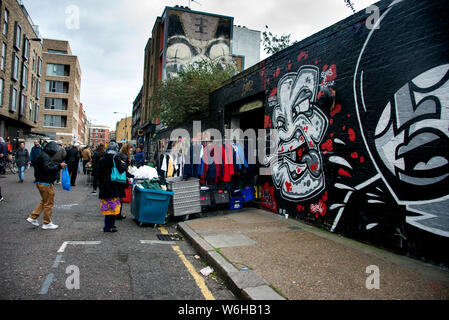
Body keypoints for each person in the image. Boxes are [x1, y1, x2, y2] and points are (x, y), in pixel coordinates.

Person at [26, 141, 67, 230]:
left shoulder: (42, 155)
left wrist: (57, 165)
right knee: (49, 203)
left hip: (41, 181)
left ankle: (33, 217)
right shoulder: (44, 156)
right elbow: (47, 168)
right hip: (45, 182)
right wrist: (59, 166)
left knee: (45, 201)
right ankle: (47, 222)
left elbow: (47, 166)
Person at [98, 142, 127, 232]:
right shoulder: (116, 158)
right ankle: (108, 226)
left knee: (108, 205)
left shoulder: (102, 159)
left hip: (104, 185)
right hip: (114, 185)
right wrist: (124, 164)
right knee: (114, 206)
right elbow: (122, 170)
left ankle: (109, 225)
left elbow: (98, 173)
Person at [116, 143, 134, 220]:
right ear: (127, 149)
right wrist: (132, 176)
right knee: (120, 197)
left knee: (117, 196)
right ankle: (118, 214)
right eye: (130, 150)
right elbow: (123, 170)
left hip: (116, 178)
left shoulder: (119, 155)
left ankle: (116, 213)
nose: (131, 151)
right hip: (121, 179)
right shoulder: (124, 157)